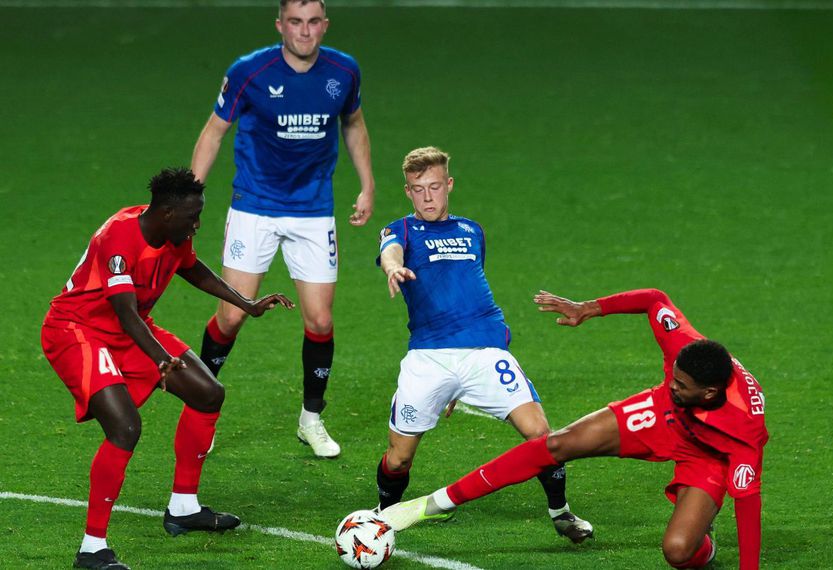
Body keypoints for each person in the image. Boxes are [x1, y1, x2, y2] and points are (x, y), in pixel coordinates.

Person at [382, 288, 768, 569]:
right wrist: (589, 308)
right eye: (673, 376)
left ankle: (704, 540)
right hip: (663, 417)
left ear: (710, 393)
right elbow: (655, 299)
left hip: (709, 456)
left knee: (679, 552)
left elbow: (748, 507)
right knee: (558, 443)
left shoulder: (743, 431)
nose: (672, 383)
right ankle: (432, 504)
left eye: (682, 385)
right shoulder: (684, 351)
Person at [41, 167, 294, 569]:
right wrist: (161, 358)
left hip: (133, 329)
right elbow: (125, 313)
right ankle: (92, 549)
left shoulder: (174, 234)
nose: (197, 225)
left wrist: (245, 302)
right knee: (124, 427)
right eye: (192, 218)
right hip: (78, 331)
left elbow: (191, 268)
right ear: (166, 214)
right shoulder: (118, 238)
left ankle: (183, 507)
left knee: (208, 393)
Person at [374, 147, 593, 542]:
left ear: (449, 185)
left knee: (542, 436)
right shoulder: (400, 231)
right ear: (407, 191)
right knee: (399, 456)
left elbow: (469, 285)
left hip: (486, 353)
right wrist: (393, 267)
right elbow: (389, 250)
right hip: (429, 358)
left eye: (435, 187)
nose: (427, 197)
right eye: (418, 189)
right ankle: (383, 514)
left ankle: (561, 512)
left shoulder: (472, 230)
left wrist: (468, 375)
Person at [190, 0, 375, 458]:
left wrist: (368, 184)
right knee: (231, 314)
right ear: (280, 26)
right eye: (296, 22)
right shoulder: (250, 71)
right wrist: (191, 196)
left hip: (313, 211)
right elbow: (214, 131)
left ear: (325, 26)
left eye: (313, 22)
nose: (305, 31)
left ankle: (311, 419)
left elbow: (353, 123)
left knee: (320, 320)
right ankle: (202, 408)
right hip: (254, 207)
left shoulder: (344, 72)